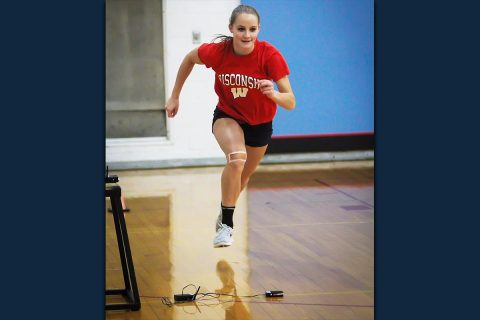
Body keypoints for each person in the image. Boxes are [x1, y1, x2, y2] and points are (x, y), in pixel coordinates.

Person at [165, 5, 295, 248]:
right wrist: (175, 96)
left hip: (260, 123)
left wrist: (274, 94)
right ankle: (227, 226)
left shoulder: (270, 55)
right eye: (241, 29)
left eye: (252, 29)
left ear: (259, 30)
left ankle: (224, 212)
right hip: (228, 115)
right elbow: (189, 59)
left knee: (242, 179)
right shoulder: (218, 52)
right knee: (236, 159)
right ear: (231, 29)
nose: (247, 35)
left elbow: (291, 101)